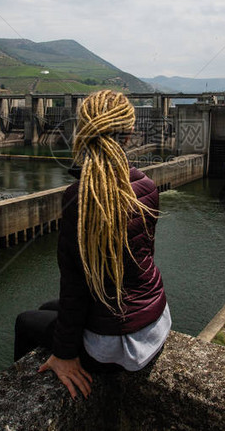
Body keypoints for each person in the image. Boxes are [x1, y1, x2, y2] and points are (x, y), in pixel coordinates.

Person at [13, 89, 170, 399]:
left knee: (25, 322)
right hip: (155, 321)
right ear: (129, 135)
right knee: (47, 309)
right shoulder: (147, 186)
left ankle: (28, 399)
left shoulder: (79, 199)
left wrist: (65, 354)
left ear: (83, 130)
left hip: (119, 345)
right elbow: (142, 258)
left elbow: (75, 287)